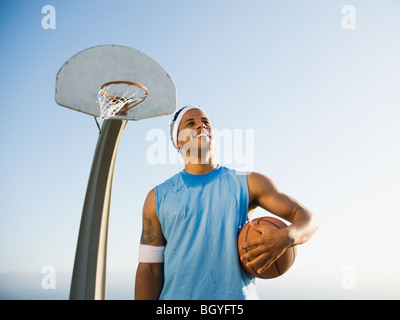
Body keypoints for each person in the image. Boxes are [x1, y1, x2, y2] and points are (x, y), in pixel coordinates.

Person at [134, 105, 318, 300]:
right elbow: (149, 268)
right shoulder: (157, 197)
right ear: (178, 141)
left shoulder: (249, 182)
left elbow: (308, 219)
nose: (201, 126)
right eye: (191, 123)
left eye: (206, 121)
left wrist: (287, 236)